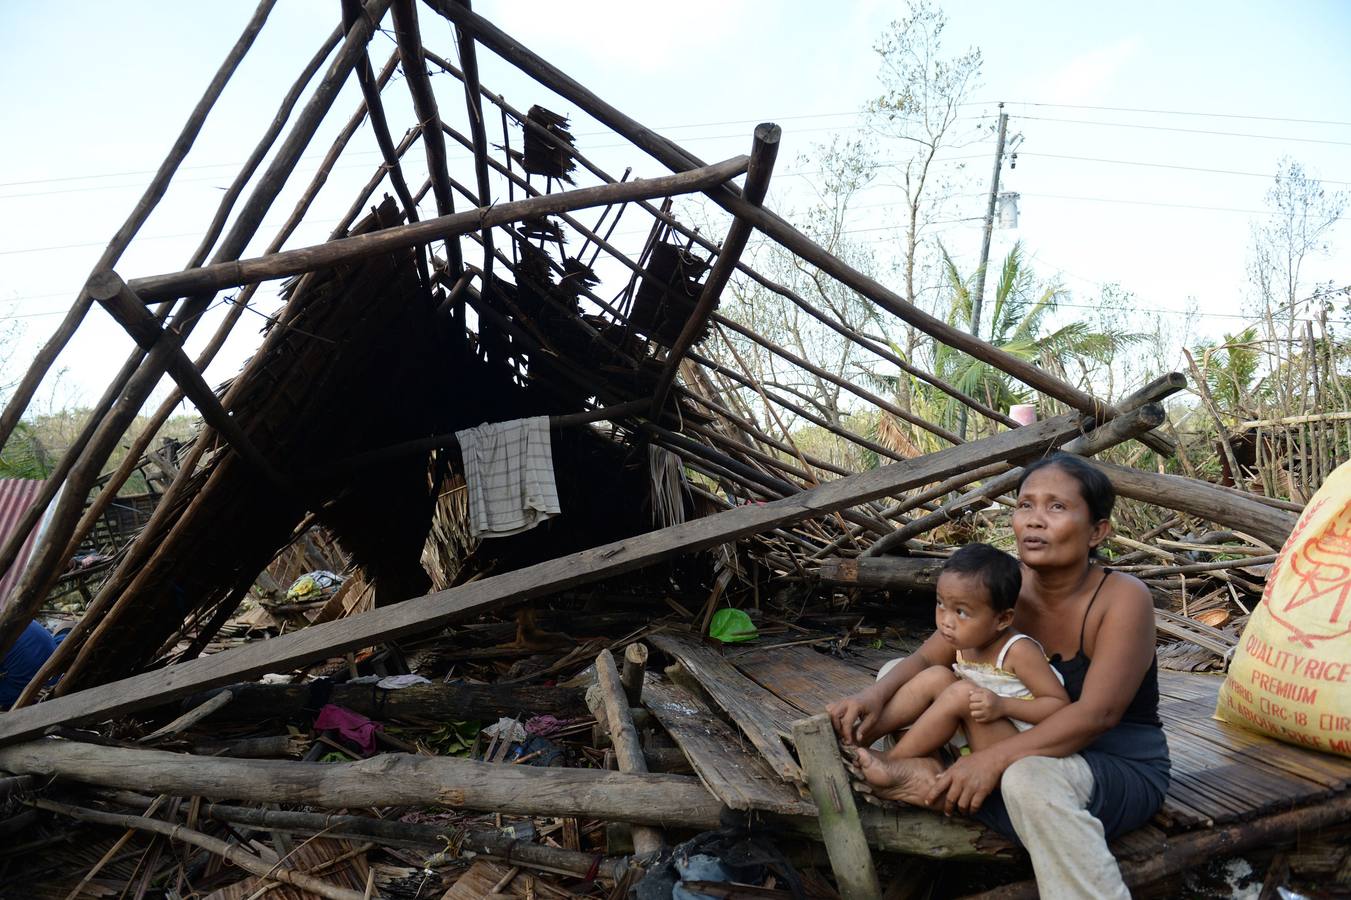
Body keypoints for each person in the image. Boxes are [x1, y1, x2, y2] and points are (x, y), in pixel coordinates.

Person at [827, 453, 1170, 898]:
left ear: (1097, 531)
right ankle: (930, 771)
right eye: (1025, 505)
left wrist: (990, 761)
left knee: (1026, 779)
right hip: (1010, 739)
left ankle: (933, 781)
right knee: (897, 674)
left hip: (1109, 765)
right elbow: (930, 659)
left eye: (1057, 507)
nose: (1035, 521)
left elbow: (1096, 715)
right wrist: (872, 696)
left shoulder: (1123, 599)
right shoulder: (1008, 586)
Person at [863, 543, 1069, 761]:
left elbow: (1059, 706)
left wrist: (1004, 706)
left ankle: (893, 760)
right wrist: (871, 696)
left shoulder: (1018, 651)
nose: (946, 621)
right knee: (936, 676)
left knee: (961, 693)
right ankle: (860, 735)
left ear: (1002, 619)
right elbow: (923, 658)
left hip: (1010, 748)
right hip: (969, 736)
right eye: (941, 603)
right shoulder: (965, 638)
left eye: (961, 611)